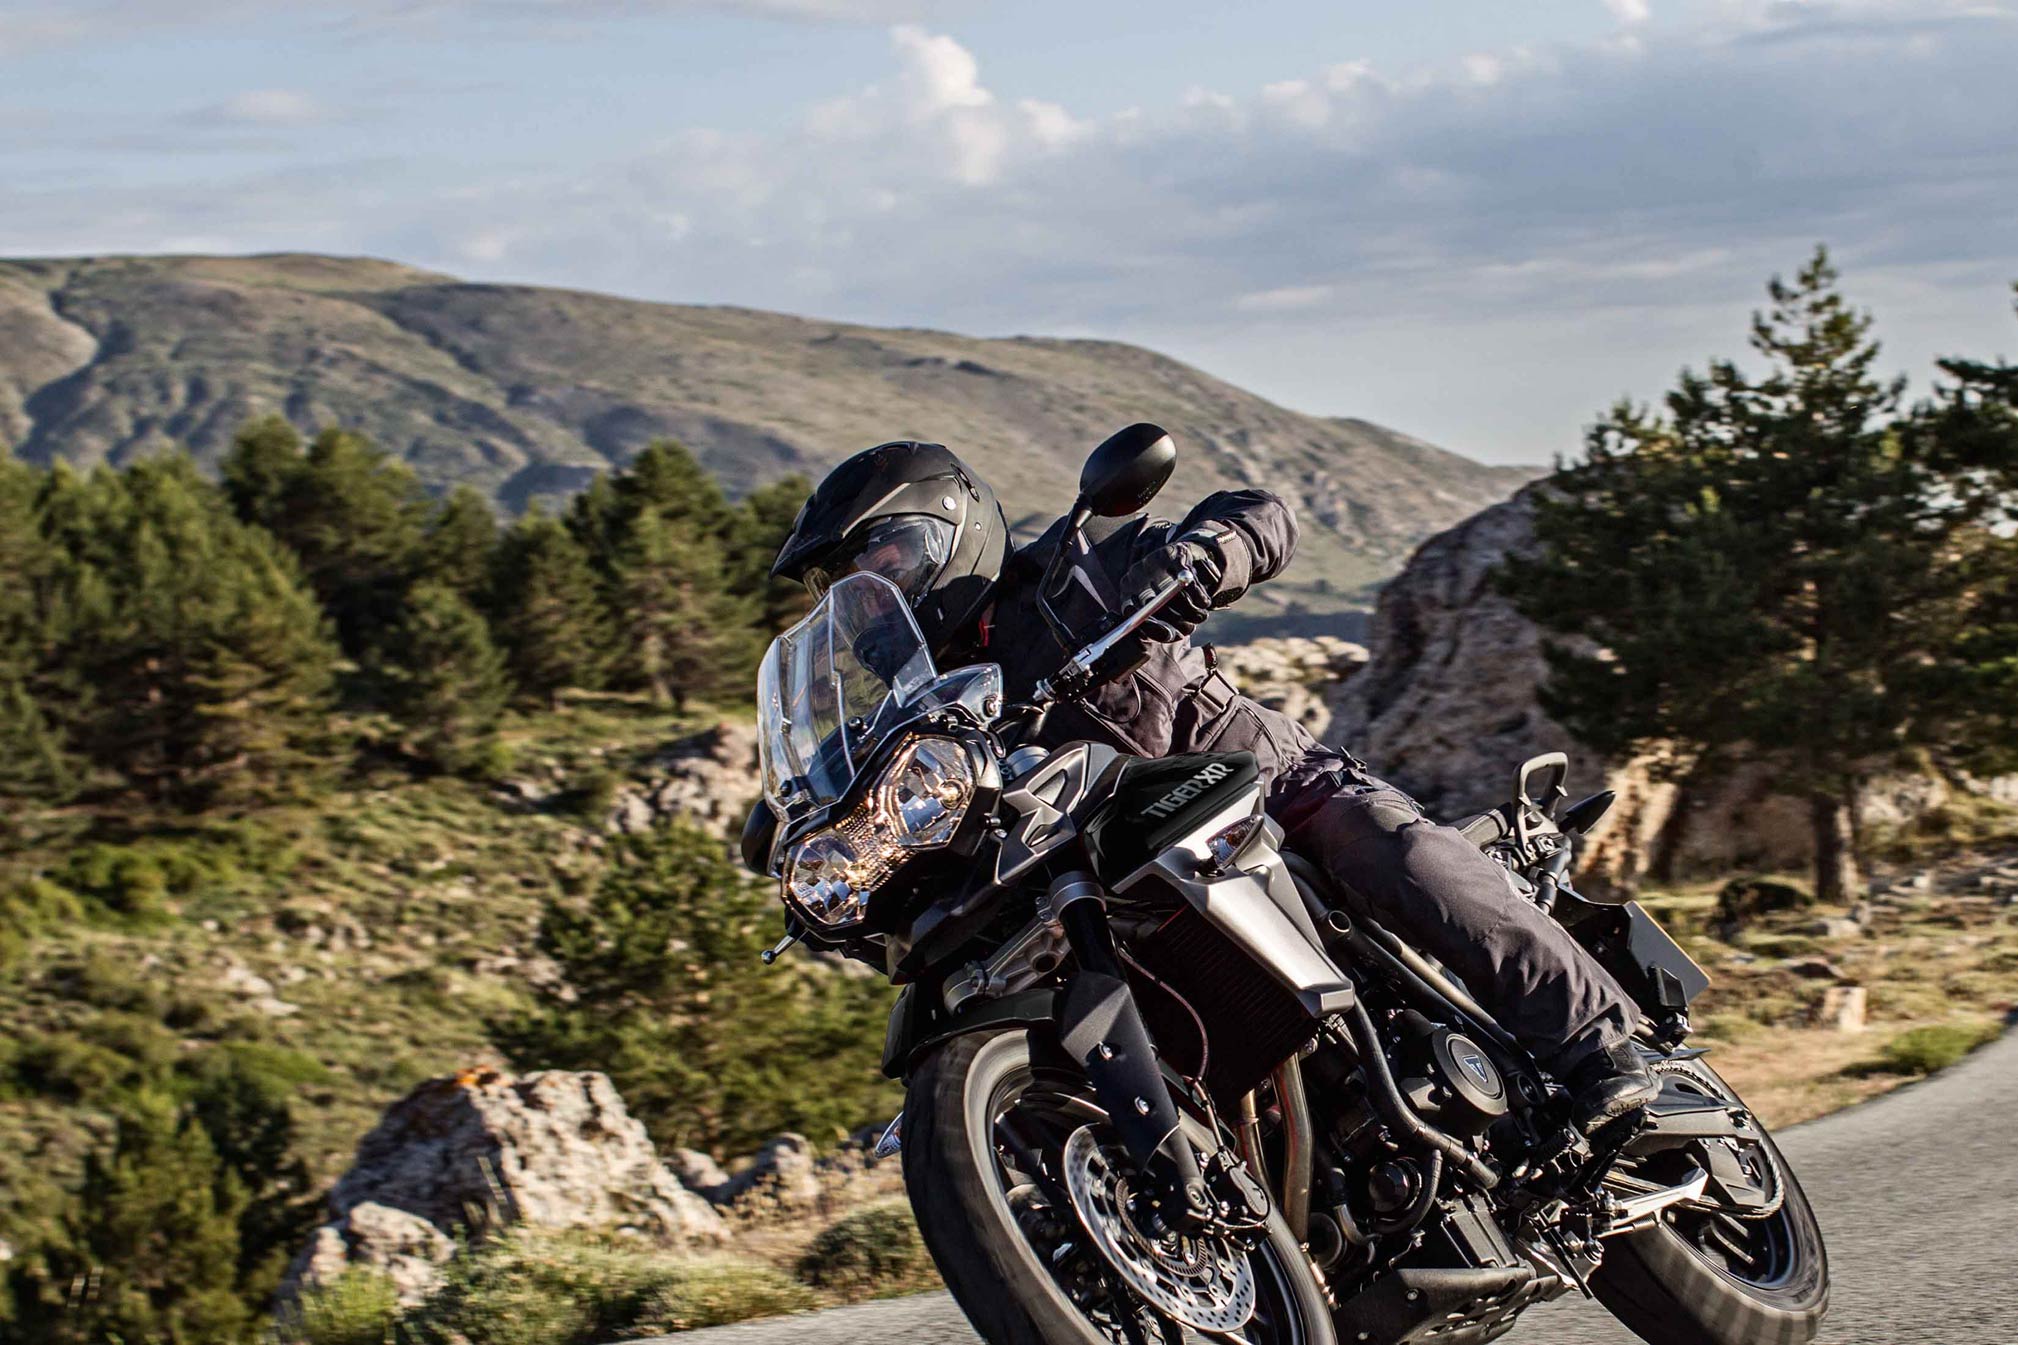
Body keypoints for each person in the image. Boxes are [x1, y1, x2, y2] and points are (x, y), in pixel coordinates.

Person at [770, 432, 1659, 1131]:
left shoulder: (1074, 572)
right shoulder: (909, 712)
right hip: (1097, 884)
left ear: (948, 528)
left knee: (1388, 851)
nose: (867, 592)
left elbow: (1261, 515)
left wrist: (1206, 552)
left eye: (880, 559)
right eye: (842, 583)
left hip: (1257, 787)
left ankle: (1597, 1043)